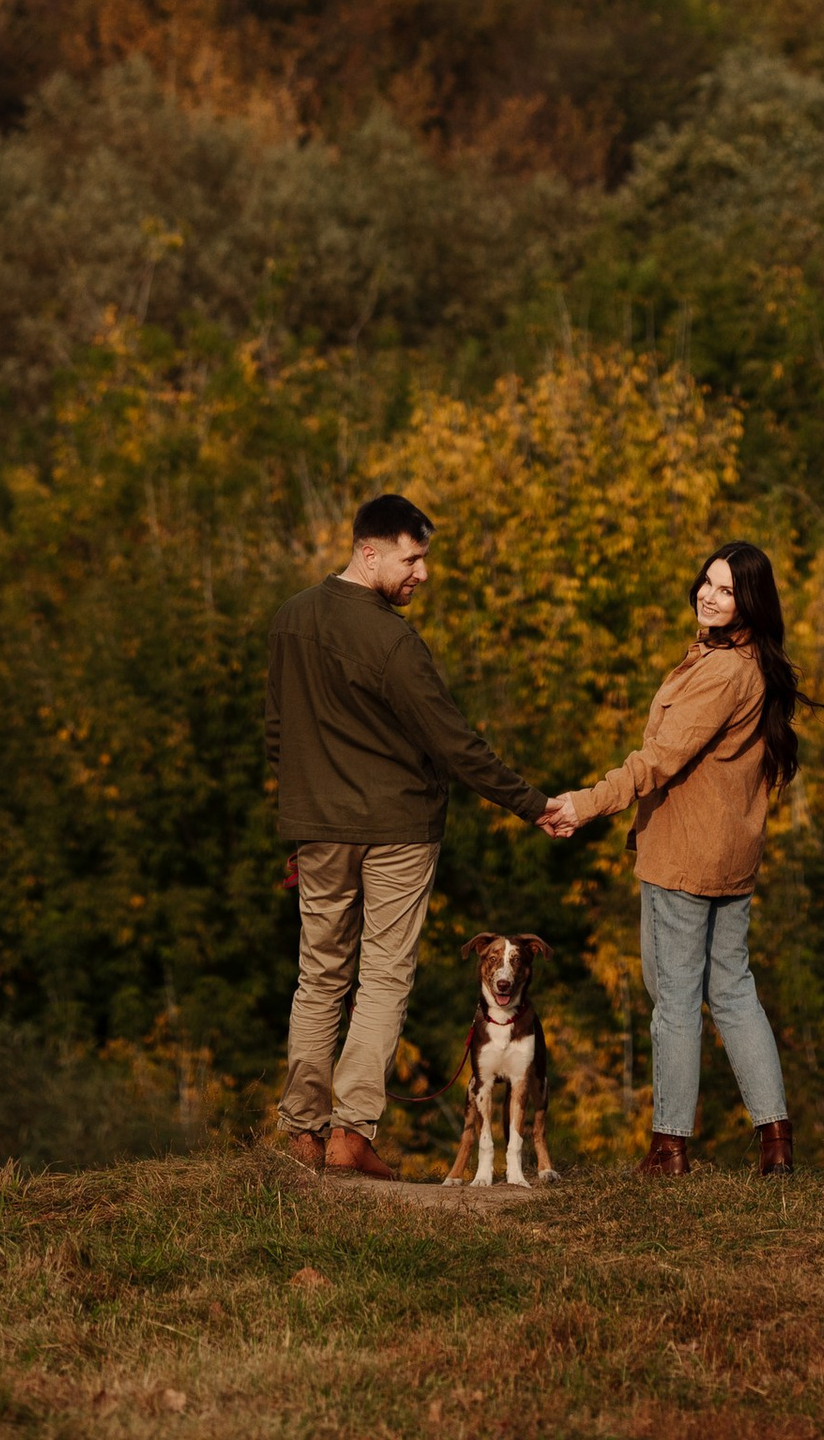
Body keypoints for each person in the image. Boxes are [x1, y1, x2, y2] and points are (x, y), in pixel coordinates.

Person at [265, 490, 552, 1179]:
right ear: (370, 551)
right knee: (386, 972)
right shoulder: (393, 640)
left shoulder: (291, 619)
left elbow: (278, 731)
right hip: (396, 827)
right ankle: (349, 1133)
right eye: (412, 557)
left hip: (317, 828)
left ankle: (301, 1132)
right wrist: (534, 803)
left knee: (319, 974)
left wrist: (297, 822)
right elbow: (454, 742)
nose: (421, 572)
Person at [542, 537, 810, 1176]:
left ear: (750, 603)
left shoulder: (720, 672)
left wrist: (585, 803)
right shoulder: (750, 663)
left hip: (685, 857)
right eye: (708, 583)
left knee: (674, 998)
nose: (710, 596)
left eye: (727, 590)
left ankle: (669, 1148)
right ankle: (776, 1143)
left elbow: (658, 761)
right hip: (732, 858)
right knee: (733, 990)